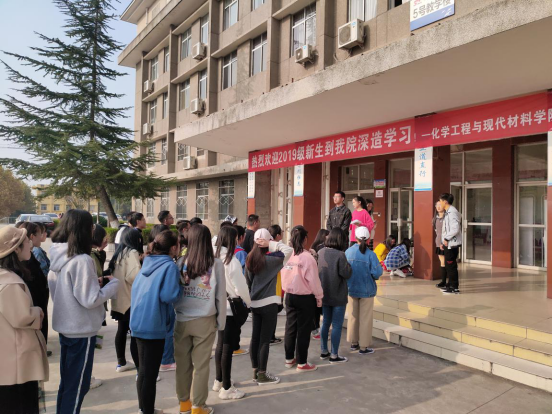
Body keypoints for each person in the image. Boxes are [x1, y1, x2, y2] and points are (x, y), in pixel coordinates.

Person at [48, 210, 119, 414]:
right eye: (91, 227)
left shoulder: (58, 255)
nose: (93, 230)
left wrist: (94, 283)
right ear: (84, 230)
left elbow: (64, 290)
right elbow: (90, 299)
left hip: (66, 327)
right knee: (78, 386)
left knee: (68, 384)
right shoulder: (82, 260)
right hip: (81, 330)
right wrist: (112, 286)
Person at [174, 225, 226, 415]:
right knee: (201, 365)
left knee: (182, 365)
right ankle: (198, 406)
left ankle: (184, 405)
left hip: (181, 319)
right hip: (205, 319)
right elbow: (220, 296)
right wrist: (221, 321)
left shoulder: (180, 262)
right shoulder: (216, 264)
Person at [131, 230, 183, 415]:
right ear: (173, 248)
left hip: (138, 320)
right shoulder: (169, 266)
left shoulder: (148, 261)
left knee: (143, 372)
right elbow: (169, 296)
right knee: (150, 374)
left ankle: (144, 408)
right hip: (153, 323)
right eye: (179, 245)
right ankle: (147, 411)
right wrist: (182, 287)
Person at [0, 227, 49, 415]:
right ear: (15, 249)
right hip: (16, 362)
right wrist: (37, 312)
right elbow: (22, 317)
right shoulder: (9, 283)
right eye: (25, 241)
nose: (29, 243)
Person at [245, 229, 293, 385]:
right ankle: (262, 374)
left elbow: (248, 281)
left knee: (255, 338)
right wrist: (272, 243)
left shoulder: (250, 258)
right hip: (269, 302)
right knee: (264, 340)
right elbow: (289, 250)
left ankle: (255, 371)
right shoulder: (273, 259)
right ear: (267, 241)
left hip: (255, 302)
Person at [213, 226, 251, 400]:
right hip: (230, 308)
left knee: (221, 345)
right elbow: (241, 288)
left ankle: (219, 380)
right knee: (227, 347)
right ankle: (227, 388)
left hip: (217, 306)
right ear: (232, 240)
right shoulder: (231, 261)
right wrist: (248, 303)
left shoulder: (213, 258)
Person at [281, 226, 323, 373]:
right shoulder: (308, 258)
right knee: (303, 330)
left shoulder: (288, 255)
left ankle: (289, 359)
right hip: (305, 298)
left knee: (290, 328)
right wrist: (319, 297)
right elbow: (314, 281)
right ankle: (302, 362)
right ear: (305, 239)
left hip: (289, 295)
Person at [345, 227, 383, 356]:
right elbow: (377, 272)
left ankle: (353, 342)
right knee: (365, 318)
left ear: (355, 238)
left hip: (351, 289)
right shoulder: (371, 254)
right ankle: (363, 346)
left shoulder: (348, 252)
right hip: (367, 290)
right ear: (368, 240)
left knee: (353, 316)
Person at [109, 228, 142, 374]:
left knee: (121, 330)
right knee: (135, 335)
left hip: (119, 300)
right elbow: (135, 277)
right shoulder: (132, 252)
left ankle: (121, 362)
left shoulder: (119, 253)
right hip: (130, 300)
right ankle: (140, 371)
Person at [318, 228, 352, 364]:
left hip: (323, 294)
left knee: (325, 322)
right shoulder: (340, 255)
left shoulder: (320, 252)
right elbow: (346, 273)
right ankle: (334, 355)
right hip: (338, 295)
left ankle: (323, 351)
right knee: (337, 325)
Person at [16, 223, 50, 349]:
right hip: (33, 310)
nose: (29, 244)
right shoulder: (16, 271)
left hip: (38, 305)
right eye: (26, 241)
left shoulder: (30, 258)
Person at [439, 193, 463, 295]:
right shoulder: (448, 212)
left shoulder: (452, 212)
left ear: (445, 202)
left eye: (440, 201)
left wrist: (446, 238)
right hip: (448, 243)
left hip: (452, 244)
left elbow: (455, 228)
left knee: (451, 265)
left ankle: (454, 287)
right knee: (449, 266)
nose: (440, 203)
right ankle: (450, 285)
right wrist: (443, 241)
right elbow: (446, 229)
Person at [266, 225, 285, 346]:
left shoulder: (265, 249)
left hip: (267, 286)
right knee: (273, 312)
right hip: (276, 285)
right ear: (277, 235)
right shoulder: (277, 251)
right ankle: (270, 336)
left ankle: (269, 335)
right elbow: (288, 251)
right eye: (281, 232)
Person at [433, 202, 448, 290]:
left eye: (440, 205)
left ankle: (450, 282)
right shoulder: (435, 219)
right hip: (439, 242)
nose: (438, 207)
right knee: (442, 262)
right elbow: (436, 231)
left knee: (448, 262)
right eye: (437, 205)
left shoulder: (447, 217)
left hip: (447, 242)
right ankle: (443, 281)